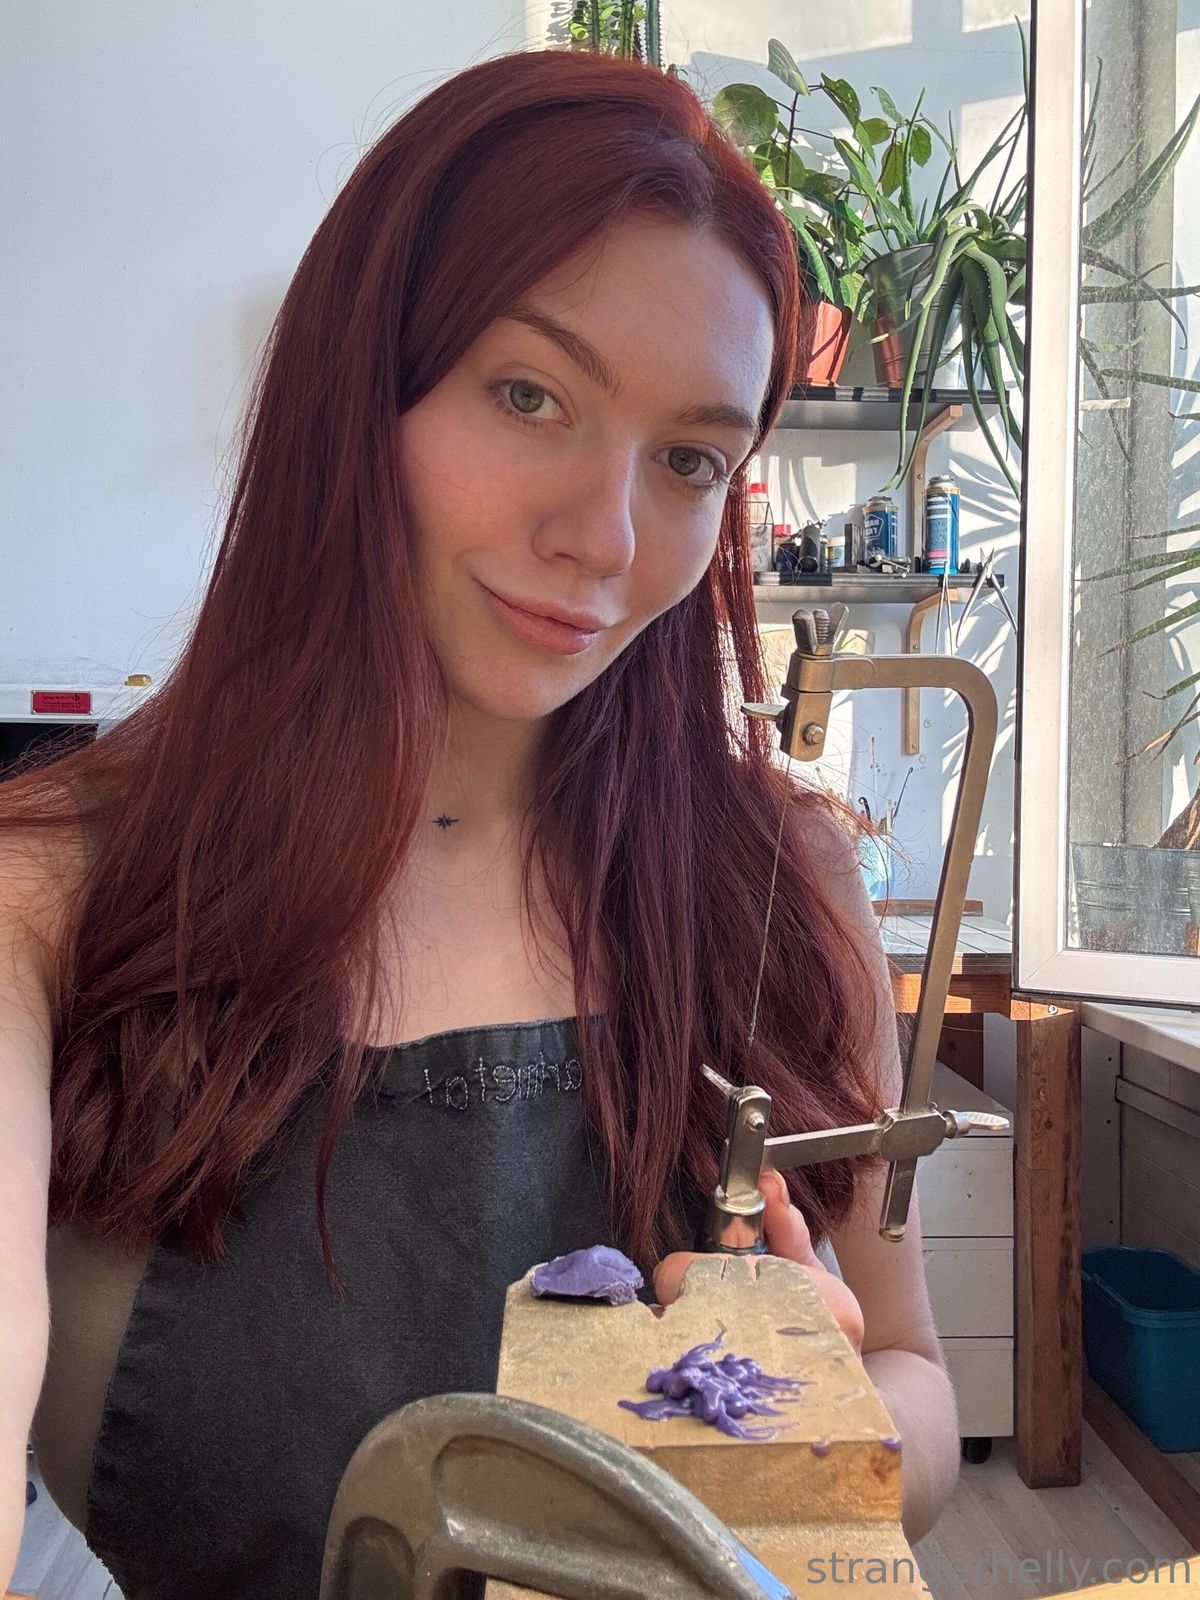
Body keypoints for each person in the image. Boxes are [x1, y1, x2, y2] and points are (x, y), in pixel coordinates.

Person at [0, 45, 960, 1600]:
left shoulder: (779, 881)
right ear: (358, 390)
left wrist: (815, 1433)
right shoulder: (52, 899)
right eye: (529, 395)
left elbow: (919, 1390)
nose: (604, 536)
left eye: (689, 460)